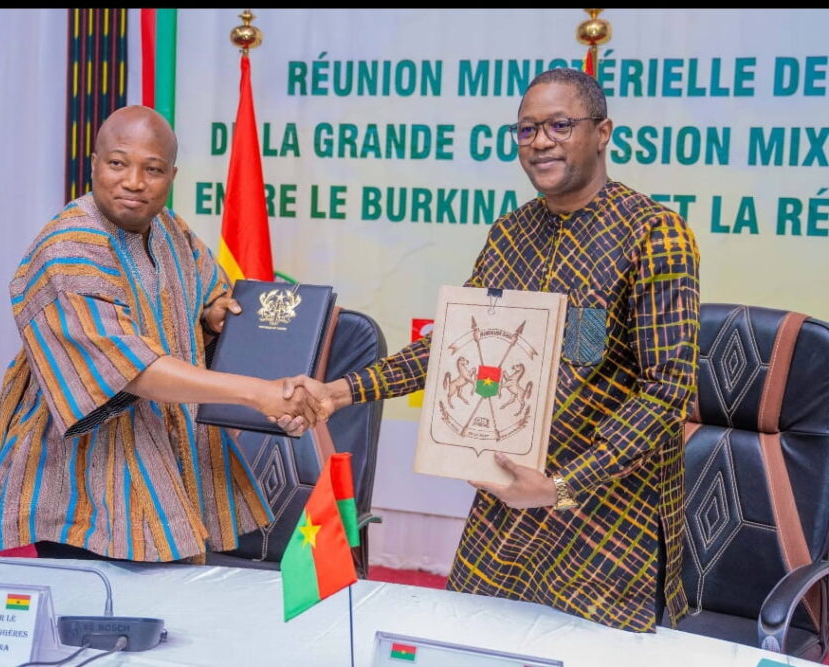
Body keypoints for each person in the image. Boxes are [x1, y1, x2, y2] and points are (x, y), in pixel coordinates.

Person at [286, 68, 700, 632]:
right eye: (527, 130)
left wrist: (561, 487)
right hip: (506, 502)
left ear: (602, 133)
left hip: (606, 517)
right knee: (470, 641)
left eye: (560, 125)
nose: (541, 142)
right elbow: (455, 346)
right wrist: (341, 391)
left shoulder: (653, 234)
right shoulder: (510, 234)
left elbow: (667, 389)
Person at [0, 106, 318, 562]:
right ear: (94, 164)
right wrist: (260, 394)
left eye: (152, 169)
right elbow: (131, 371)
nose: (134, 182)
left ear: (171, 175)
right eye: (118, 164)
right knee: (96, 600)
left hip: (167, 456)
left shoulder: (171, 229)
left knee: (171, 598)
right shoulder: (68, 248)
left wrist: (213, 314)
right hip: (86, 479)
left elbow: (210, 292)